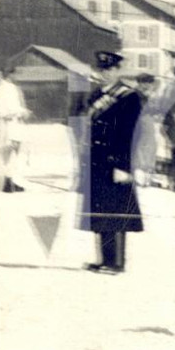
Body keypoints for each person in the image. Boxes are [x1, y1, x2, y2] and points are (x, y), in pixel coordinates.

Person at [73, 50, 145, 274]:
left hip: (116, 161)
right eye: (101, 69)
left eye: (109, 69)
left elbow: (130, 134)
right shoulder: (96, 96)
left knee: (116, 211)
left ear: (118, 71)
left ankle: (117, 262)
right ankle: (104, 259)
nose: (104, 73)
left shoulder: (129, 97)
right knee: (100, 211)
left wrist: (123, 166)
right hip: (96, 161)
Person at [0, 70, 30, 193]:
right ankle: (6, 182)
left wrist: (22, 112)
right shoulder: (3, 89)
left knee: (11, 152)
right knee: (5, 151)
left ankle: (8, 181)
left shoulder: (8, 88)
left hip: (12, 123)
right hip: (4, 124)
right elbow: (0, 109)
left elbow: (13, 106)